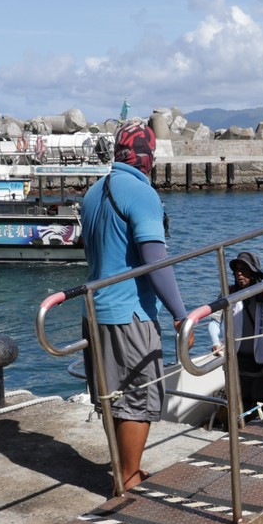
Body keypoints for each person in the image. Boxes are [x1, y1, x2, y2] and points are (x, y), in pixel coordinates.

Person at [82, 121, 189, 490]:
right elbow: (155, 261)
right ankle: (128, 480)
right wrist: (180, 313)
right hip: (130, 314)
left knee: (113, 398)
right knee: (138, 399)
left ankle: (123, 470)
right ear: (148, 155)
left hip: (94, 312)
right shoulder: (142, 194)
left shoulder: (93, 192)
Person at [209, 251, 263, 414]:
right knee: (240, 407)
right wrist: (215, 341)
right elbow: (214, 321)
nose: (239, 273)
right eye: (236, 269)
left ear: (254, 271)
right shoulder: (228, 295)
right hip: (237, 365)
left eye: (244, 269)